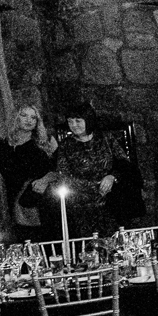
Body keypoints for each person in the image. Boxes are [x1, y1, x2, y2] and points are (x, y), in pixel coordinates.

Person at [53, 101, 121, 238]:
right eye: (70, 121)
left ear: (88, 120)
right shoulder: (66, 145)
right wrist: (96, 187)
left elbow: (124, 164)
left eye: (78, 121)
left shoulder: (106, 138)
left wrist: (112, 177)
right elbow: (64, 176)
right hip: (81, 205)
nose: (74, 125)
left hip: (111, 201)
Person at [0, 104, 58, 242]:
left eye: (33, 117)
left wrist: (45, 179)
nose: (29, 120)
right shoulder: (2, 145)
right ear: (15, 118)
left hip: (42, 196)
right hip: (15, 196)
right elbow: (7, 174)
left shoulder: (46, 141)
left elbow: (60, 168)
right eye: (24, 115)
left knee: (46, 239)